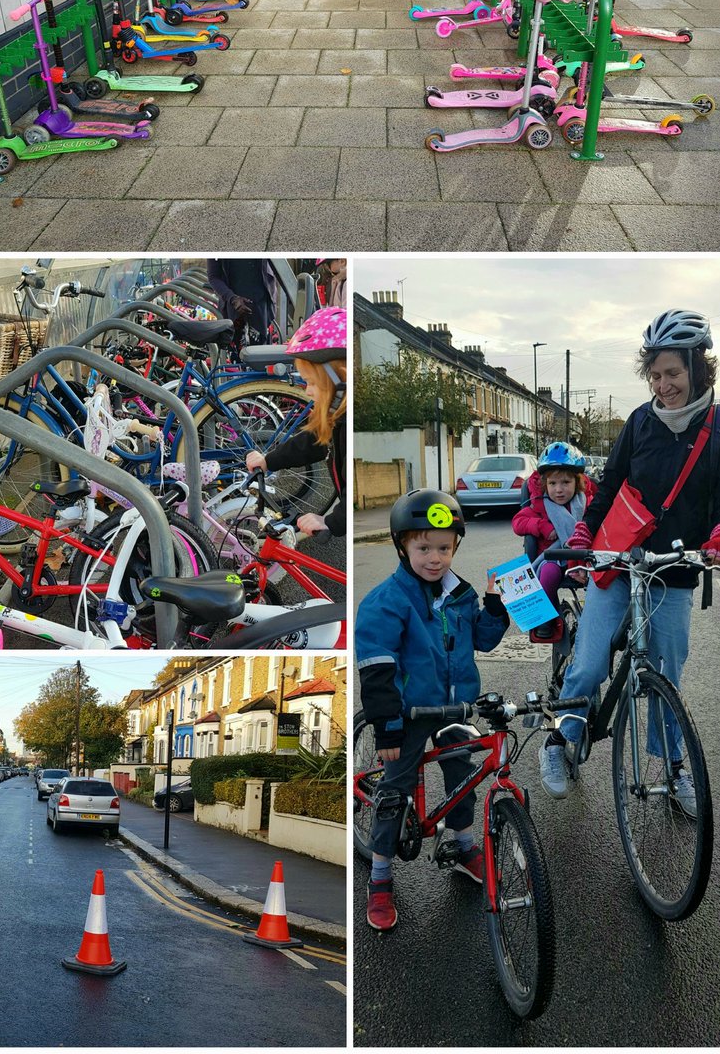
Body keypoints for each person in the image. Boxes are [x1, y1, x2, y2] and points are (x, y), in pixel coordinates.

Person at [539, 309, 720, 807]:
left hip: (674, 570)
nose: (663, 385)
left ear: (698, 368)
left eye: (672, 373)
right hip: (618, 562)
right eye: (654, 375)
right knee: (589, 663)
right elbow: (609, 486)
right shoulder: (639, 421)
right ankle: (561, 739)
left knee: (666, 676)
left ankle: (673, 769)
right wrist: (585, 530)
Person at [355, 489, 508, 931]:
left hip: (454, 709)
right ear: (402, 546)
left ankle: (463, 846)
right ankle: (380, 877)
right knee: (394, 794)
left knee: (463, 781)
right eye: (424, 548)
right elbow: (377, 669)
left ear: (455, 546)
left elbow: (484, 640)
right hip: (405, 716)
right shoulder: (386, 601)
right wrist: (387, 728)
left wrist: (494, 605)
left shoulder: (460, 595)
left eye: (444, 548)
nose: (435, 558)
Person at [245, 306, 346, 538]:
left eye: (312, 382)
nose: (307, 391)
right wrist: (268, 460)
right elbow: (312, 442)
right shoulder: (335, 418)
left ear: (341, 379)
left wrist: (331, 522)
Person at [511, 442, 595, 638]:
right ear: (544, 484)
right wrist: (542, 526)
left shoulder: (587, 503)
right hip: (553, 557)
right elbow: (518, 522)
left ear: (577, 482)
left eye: (565, 482)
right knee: (548, 572)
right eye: (552, 483)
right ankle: (546, 619)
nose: (559, 489)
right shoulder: (540, 505)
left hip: (584, 556)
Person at [206, 259, 278, 346]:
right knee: (236, 347)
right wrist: (232, 298)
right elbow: (213, 277)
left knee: (262, 349)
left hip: (262, 306)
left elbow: (277, 268)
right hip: (233, 309)